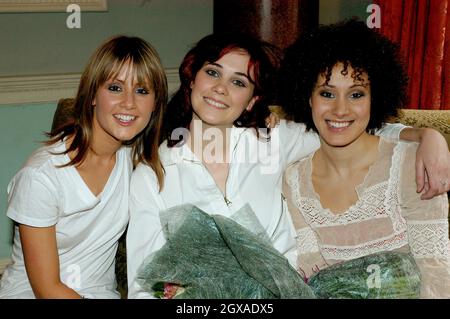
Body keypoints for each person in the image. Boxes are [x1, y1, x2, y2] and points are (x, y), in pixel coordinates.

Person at [126, 32, 450, 298]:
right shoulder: (152, 176)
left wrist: (426, 135)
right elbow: (144, 287)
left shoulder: (273, 141)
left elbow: (347, 125)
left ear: (252, 99)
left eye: (239, 82)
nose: (221, 89)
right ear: (191, 79)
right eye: (212, 72)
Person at [280, 19, 450, 298]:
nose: (340, 109)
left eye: (356, 94)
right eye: (326, 93)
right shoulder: (293, 181)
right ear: (307, 98)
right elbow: (309, 278)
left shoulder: (411, 165)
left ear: (375, 98)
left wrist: (429, 134)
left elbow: (436, 273)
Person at [0, 35, 167, 299]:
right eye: (115, 87)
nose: (129, 102)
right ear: (92, 96)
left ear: (155, 104)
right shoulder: (41, 177)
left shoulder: (134, 156)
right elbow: (48, 289)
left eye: (142, 90)